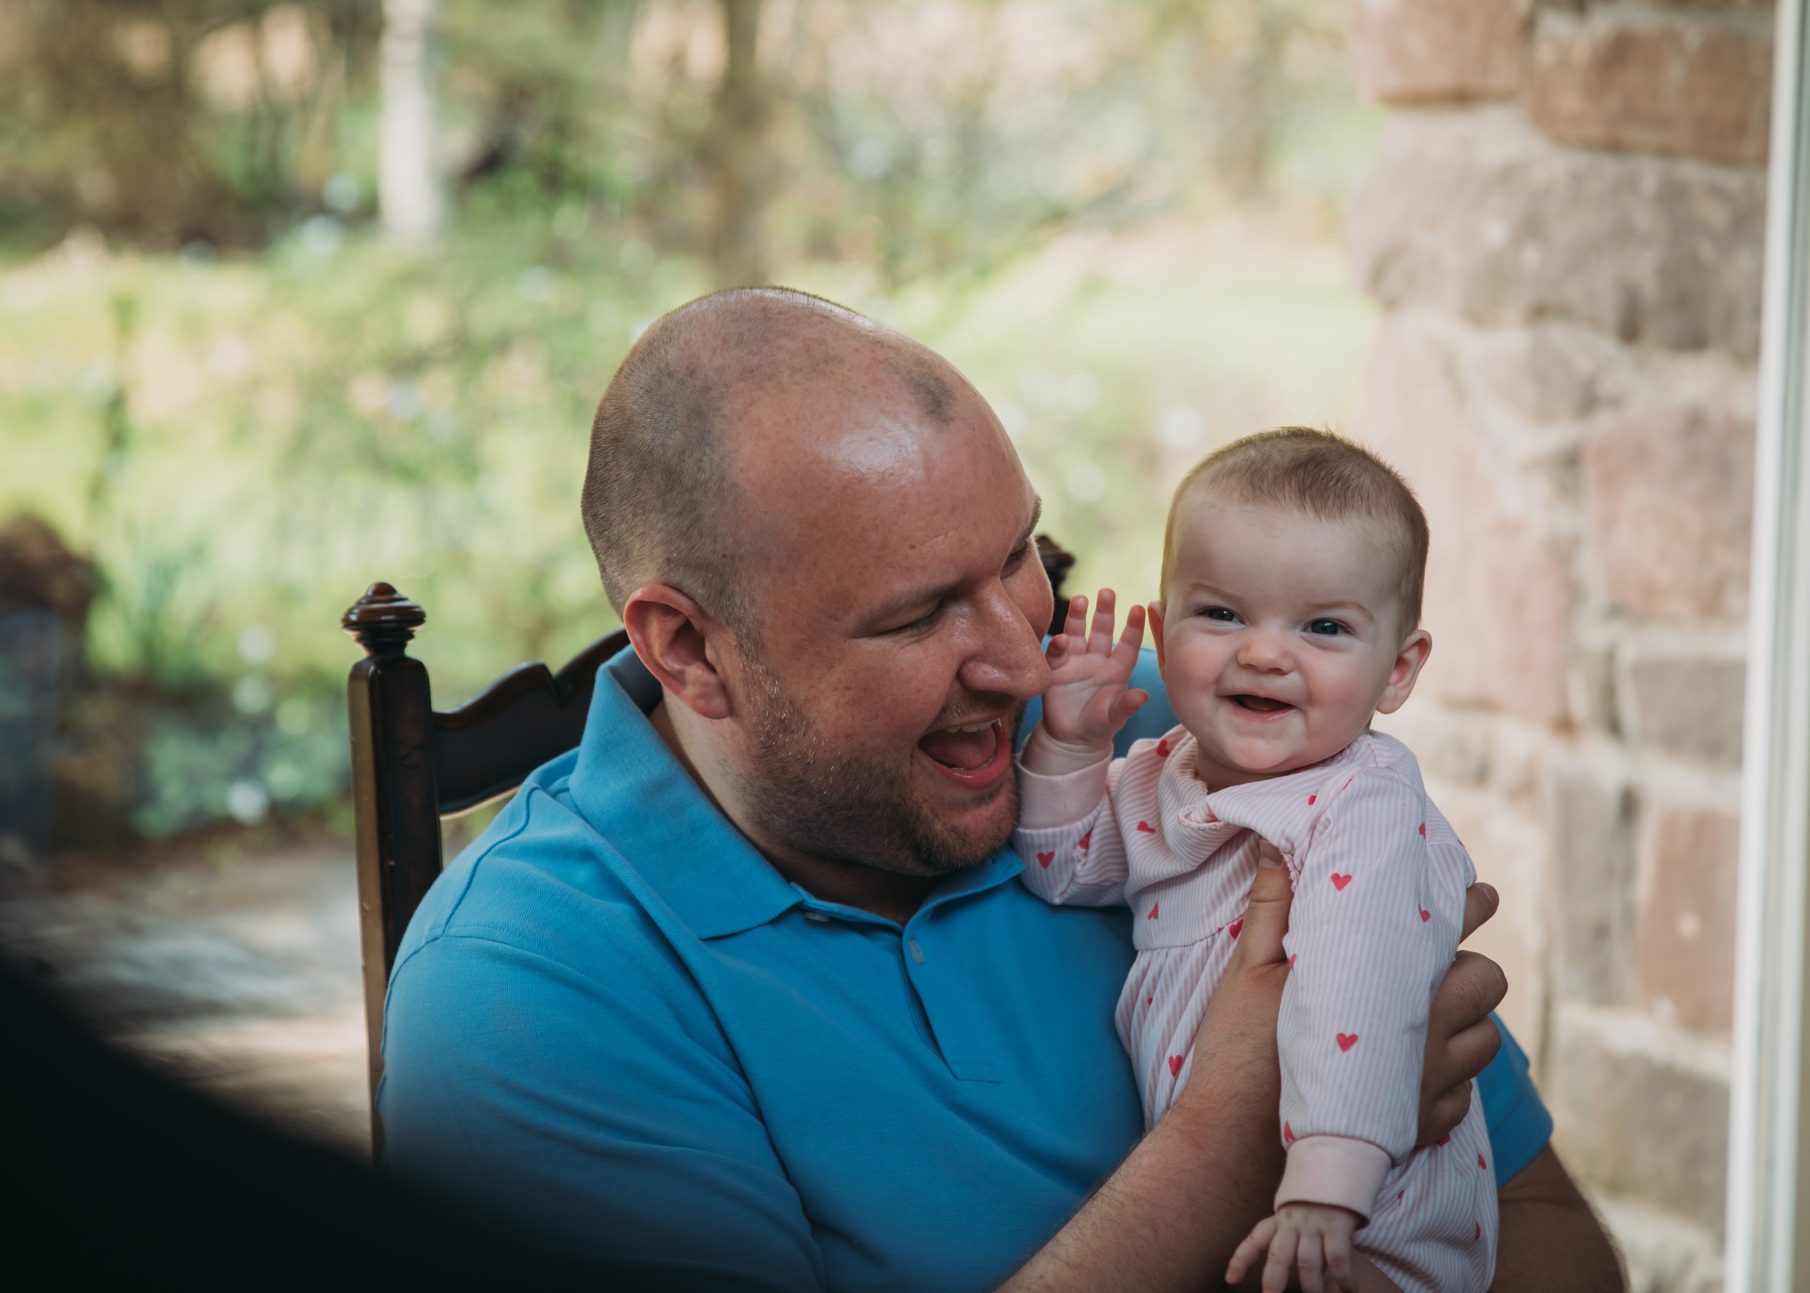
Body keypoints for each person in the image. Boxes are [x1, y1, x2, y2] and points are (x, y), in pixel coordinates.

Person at [378, 288, 1625, 1291]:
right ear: (690, 651)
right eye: (920, 611)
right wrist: (1240, 1131)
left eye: (1020, 555)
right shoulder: (524, 988)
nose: (1026, 658)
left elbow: (1536, 1219)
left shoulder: (1160, 735)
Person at [1014, 428, 1490, 1293]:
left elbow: (1364, 990)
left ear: (1398, 669)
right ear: (1163, 632)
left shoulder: (1366, 805)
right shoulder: (1165, 769)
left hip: (1367, 1216)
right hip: (1240, 1206)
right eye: (1223, 614)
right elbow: (1066, 870)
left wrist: (1326, 1189)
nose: (1265, 652)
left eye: (1325, 627)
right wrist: (1073, 748)